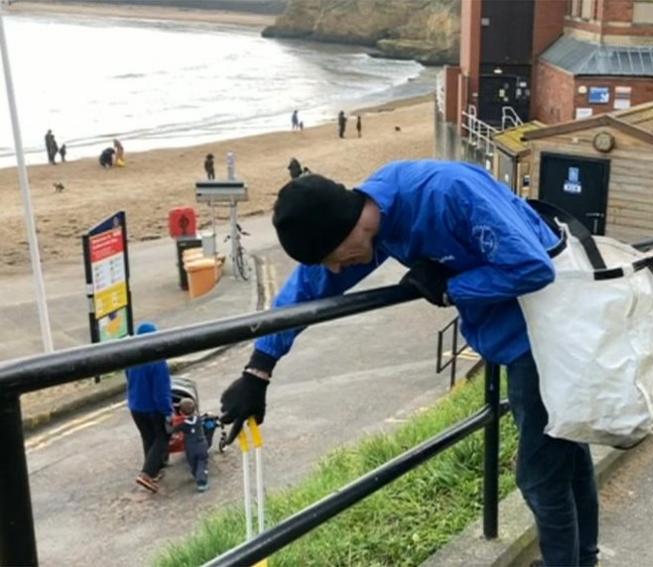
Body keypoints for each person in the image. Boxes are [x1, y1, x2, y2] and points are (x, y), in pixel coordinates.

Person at [219, 162, 599, 567]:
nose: (336, 269)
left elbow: (533, 266)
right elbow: (311, 286)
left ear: (350, 231)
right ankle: (582, 559)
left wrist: (452, 288)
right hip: (521, 334)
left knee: (539, 474)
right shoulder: (372, 217)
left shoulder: (446, 194)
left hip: (543, 339)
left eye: (333, 257)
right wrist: (259, 367)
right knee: (567, 449)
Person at [126, 322, 173, 493]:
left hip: (135, 406)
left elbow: (127, 376)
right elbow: (161, 393)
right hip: (152, 408)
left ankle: (154, 471)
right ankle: (146, 474)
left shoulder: (132, 356)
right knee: (162, 438)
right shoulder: (158, 361)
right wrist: (168, 412)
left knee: (148, 438)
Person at [173, 399, 210, 492]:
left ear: (181, 412)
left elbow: (172, 430)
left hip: (191, 447)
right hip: (202, 443)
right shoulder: (198, 419)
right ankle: (201, 476)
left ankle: (200, 481)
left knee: (193, 463)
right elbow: (205, 418)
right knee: (202, 462)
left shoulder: (182, 424)